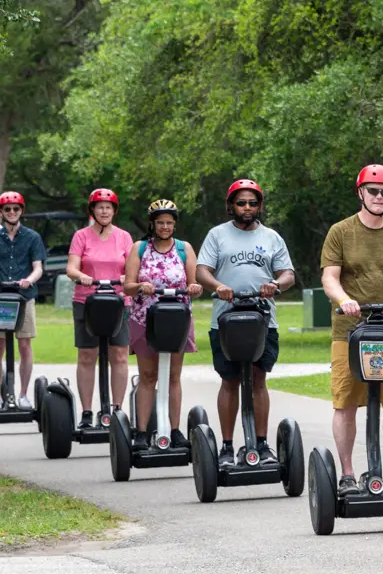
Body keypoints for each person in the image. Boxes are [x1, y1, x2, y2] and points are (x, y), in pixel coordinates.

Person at [320, 165, 383, 496]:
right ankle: (348, 474)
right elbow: (330, 277)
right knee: (346, 402)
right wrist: (344, 299)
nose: (379, 197)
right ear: (360, 192)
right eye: (373, 191)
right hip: (350, 331)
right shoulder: (340, 232)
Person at [196, 179, 297, 466]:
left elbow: (288, 274)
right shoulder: (217, 235)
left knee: (258, 380)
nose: (247, 208)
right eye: (241, 203)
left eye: (253, 203)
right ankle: (227, 448)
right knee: (229, 381)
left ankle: (262, 445)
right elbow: (202, 271)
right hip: (225, 320)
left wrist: (274, 284)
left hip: (263, 319)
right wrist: (218, 286)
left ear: (260, 206)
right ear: (231, 206)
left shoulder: (272, 237)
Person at [123, 200, 204, 450]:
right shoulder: (140, 248)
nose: (165, 227)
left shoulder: (184, 248)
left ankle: (176, 430)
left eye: (169, 222)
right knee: (148, 376)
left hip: (176, 318)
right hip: (145, 319)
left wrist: (195, 288)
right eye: (160, 222)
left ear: (174, 224)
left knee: (173, 376)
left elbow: (193, 284)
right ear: (152, 224)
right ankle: (141, 432)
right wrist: (140, 287)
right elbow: (127, 286)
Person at [66, 188, 134, 429]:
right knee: (87, 355)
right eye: (99, 206)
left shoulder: (124, 237)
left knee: (119, 355)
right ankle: (86, 412)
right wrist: (82, 276)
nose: (104, 211)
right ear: (92, 210)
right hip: (87, 301)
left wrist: (128, 278)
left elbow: (132, 268)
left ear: (114, 210)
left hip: (118, 302)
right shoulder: (81, 236)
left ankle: (117, 410)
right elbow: (71, 268)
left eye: (108, 207)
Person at [0, 191, 47, 410]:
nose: (11, 212)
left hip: (24, 298)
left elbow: (38, 268)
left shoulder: (32, 237)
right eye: (7, 209)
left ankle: (24, 394)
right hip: (0, 299)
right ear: (0, 212)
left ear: (21, 211)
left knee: (25, 345)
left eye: (16, 209)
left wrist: (29, 280)